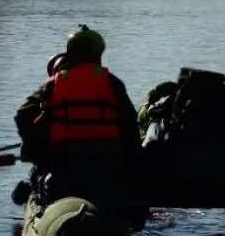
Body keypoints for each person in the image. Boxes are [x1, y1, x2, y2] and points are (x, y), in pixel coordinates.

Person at [15, 24, 140, 204]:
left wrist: (36, 149)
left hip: (65, 162)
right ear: (98, 54)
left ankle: (43, 194)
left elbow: (23, 114)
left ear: (70, 52)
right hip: (107, 164)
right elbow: (130, 124)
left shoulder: (53, 83)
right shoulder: (112, 83)